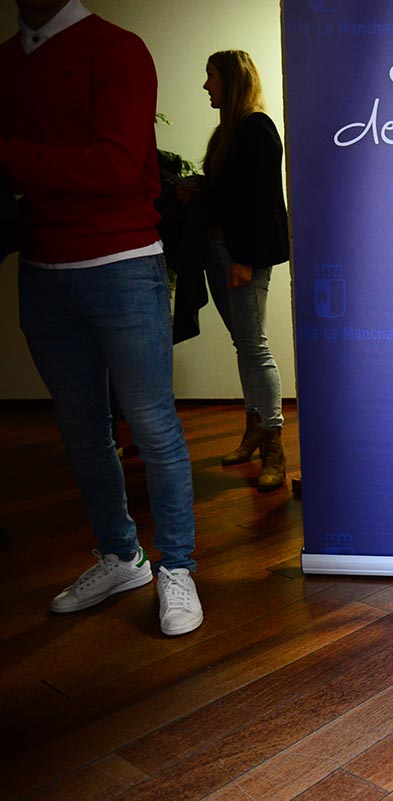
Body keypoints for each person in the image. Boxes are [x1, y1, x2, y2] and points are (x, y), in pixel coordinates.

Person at [0, 0, 202, 635]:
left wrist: (9, 155)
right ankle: (121, 556)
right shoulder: (8, 60)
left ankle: (177, 567)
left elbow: (117, 166)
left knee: (152, 426)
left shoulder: (115, 49)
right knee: (82, 430)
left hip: (120, 262)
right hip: (41, 268)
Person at [184, 50, 290, 492]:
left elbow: (261, 201)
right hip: (220, 248)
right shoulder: (228, 132)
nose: (206, 86)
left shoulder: (256, 128)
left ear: (231, 79)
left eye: (211, 77)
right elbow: (230, 192)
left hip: (240, 253)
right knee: (243, 345)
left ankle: (274, 448)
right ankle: (252, 434)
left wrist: (244, 258)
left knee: (254, 346)